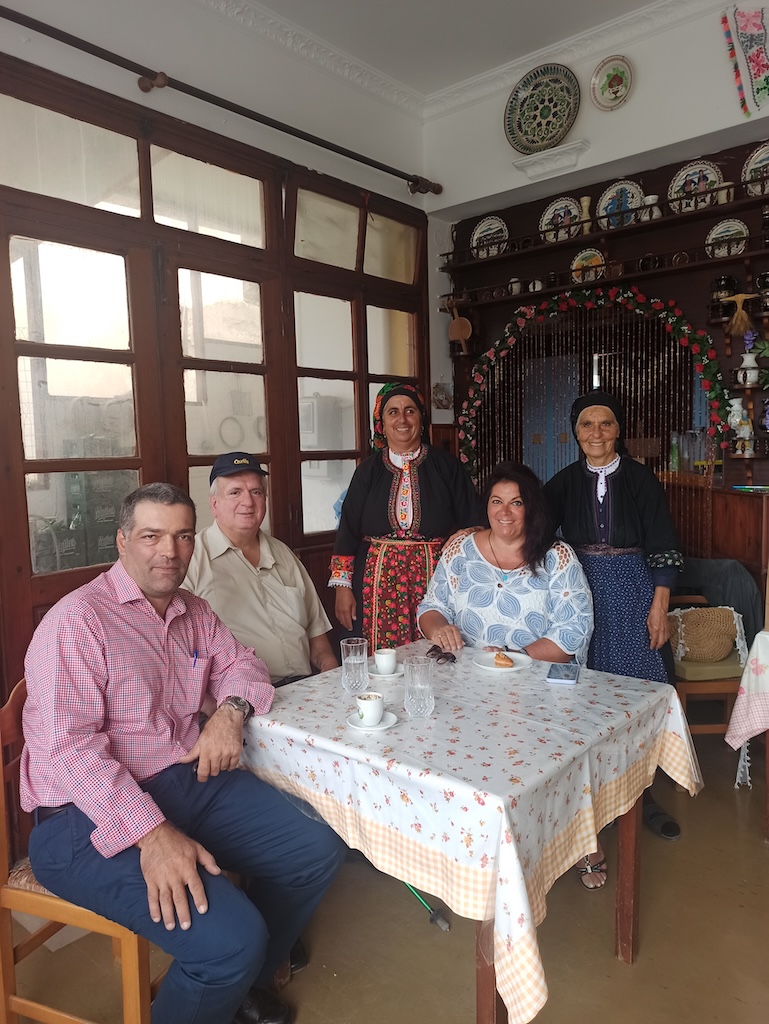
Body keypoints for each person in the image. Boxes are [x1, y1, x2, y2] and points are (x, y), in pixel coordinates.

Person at [21, 483, 345, 1024]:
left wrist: (230, 711)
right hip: (81, 817)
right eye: (152, 536)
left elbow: (243, 665)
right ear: (122, 541)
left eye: (183, 536)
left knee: (317, 847)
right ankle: (231, 967)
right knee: (233, 939)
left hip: (181, 779)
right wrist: (151, 834)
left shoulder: (193, 611)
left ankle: (237, 984)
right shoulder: (77, 621)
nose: (169, 552)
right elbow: (68, 751)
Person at [544, 391, 684, 883]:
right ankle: (586, 805)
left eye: (605, 423)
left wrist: (659, 606)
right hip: (579, 593)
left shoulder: (642, 480)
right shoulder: (563, 482)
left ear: (618, 430)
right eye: (587, 424)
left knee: (633, 695)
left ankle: (641, 796)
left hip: (631, 593)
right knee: (581, 698)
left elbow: (663, 544)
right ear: (576, 432)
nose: (596, 433)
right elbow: (534, 530)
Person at [329, 382, 481, 651]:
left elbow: (475, 522)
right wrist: (343, 587)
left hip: (435, 579)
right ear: (381, 424)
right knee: (381, 657)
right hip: (376, 581)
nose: (402, 419)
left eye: (410, 411)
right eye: (393, 412)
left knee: (436, 650)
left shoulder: (447, 466)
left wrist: (463, 536)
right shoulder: (367, 471)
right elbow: (349, 528)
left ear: (421, 419)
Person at [184, 453, 337, 686]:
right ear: (214, 504)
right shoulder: (192, 559)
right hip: (239, 696)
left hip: (303, 687)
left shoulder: (284, 554)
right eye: (235, 492)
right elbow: (180, 651)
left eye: (256, 492)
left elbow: (316, 634)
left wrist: (332, 678)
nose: (248, 502)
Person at [417, 461, 593, 663]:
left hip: (534, 677)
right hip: (465, 672)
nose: (504, 512)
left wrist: (515, 656)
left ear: (531, 507)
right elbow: (433, 606)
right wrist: (439, 629)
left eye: (516, 503)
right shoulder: (461, 550)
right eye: (497, 501)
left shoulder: (557, 557)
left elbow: (574, 628)